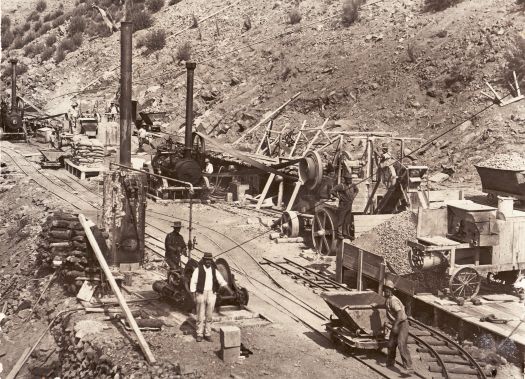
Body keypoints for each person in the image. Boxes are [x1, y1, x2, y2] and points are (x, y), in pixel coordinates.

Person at [190, 252, 233, 342]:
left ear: (211, 261)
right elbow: (193, 283)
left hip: (211, 294)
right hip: (201, 293)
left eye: (210, 260)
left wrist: (230, 291)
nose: (208, 262)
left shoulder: (214, 271)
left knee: (209, 316)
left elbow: (222, 282)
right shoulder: (198, 270)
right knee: (200, 315)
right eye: (207, 260)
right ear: (204, 260)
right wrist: (194, 295)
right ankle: (199, 334)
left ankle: (207, 333)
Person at [384, 279, 414, 375]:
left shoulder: (393, 300)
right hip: (396, 323)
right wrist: (376, 305)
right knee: (391, 344)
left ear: (391, 291)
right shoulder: (388, 299)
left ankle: (409, 368)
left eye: (388, 290)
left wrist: (395, 326)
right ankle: (391, 361)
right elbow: (387, 306)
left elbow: (400, 315)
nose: (386, 291)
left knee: (401, 344)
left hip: (402, 324)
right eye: (385, 290)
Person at [330, 172, 359, 239]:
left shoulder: (353, 185)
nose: (350, 180)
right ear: (345, 179)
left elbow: (357, 190)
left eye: (350, 179)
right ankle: (339, 233)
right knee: (341, 219)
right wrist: (338, 197)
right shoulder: (341, 186)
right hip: (343, 205)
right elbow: (332, 191)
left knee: (347, 220)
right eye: (348, 179)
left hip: (349, 205)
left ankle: (346, 234)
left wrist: (353, 197)